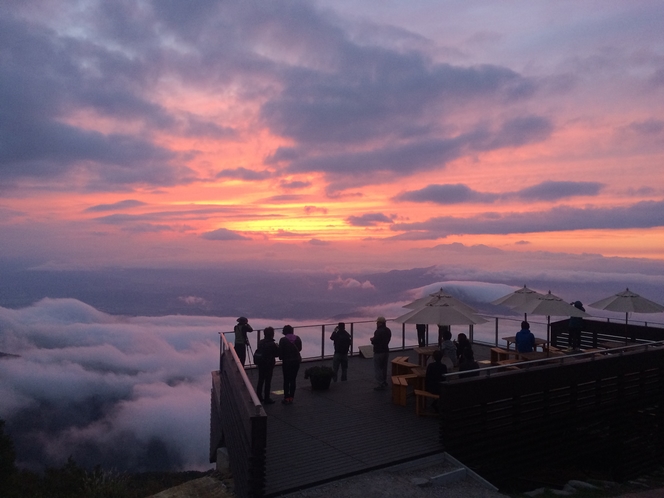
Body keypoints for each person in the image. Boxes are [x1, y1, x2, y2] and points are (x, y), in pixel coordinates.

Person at [278, 324, 302, 404]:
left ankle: (286, 397)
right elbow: (300, 349)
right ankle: (291, 397)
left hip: (287, 362)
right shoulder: (297, 338)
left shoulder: (283, 340)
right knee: (293, 379)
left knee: (286, 379)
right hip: (296, 361)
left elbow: (280, 352)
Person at [255, 327, 279, 404]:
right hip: (269, 364)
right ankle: (267, 398)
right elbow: (276, 354)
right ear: (272, 334)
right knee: (268, 381)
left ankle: (258, 396)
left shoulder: (261, 342)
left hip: (261, 363)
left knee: (261, 380)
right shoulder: (272, 344)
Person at [371, 316, 391, 390]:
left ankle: (380, 383)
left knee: (378, 368)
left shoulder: (378, 331)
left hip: (378, 351)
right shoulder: (388, 330)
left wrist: (372, 340)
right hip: (386, 350)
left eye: (377, 322)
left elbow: (375, 341)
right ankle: (384, 381)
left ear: (380, 323)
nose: (376, 324)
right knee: (384, 367)